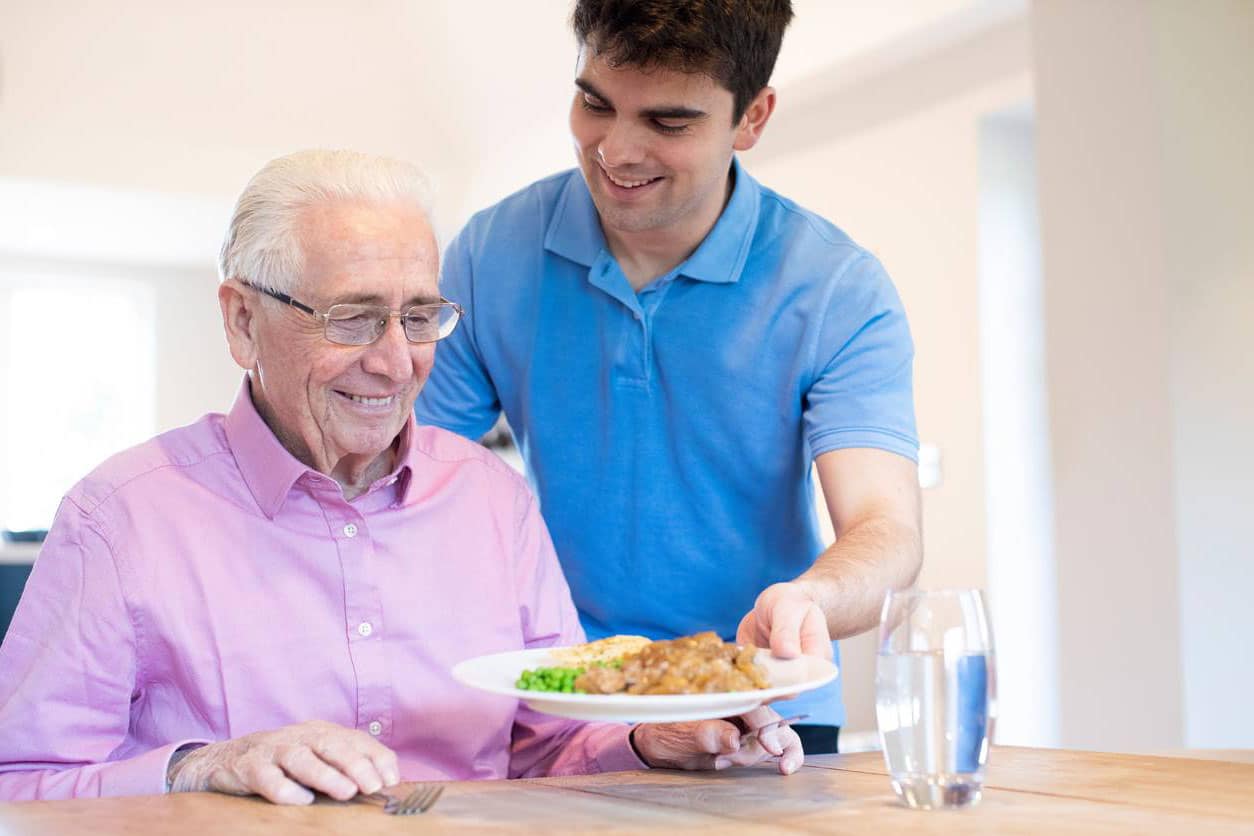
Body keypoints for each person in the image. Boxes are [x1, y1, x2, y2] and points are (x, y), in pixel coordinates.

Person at [0, 150, 803, 804]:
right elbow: (21, 786)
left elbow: (548, 738)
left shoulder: (491, 499)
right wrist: (200, 767)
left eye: (420, 317)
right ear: (243, 321)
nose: (394, 362)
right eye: (351, 317)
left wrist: (645, 739)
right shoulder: (120, 520)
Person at [415, 0, 923, 753]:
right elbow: (414, 484)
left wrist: (810, 599)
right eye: (594, 103)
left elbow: (888, 532)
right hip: (565, 707)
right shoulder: (490, 253)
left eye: (668, 122)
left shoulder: (835, 287)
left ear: (752, 118)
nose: (615, 150)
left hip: (760, 703)